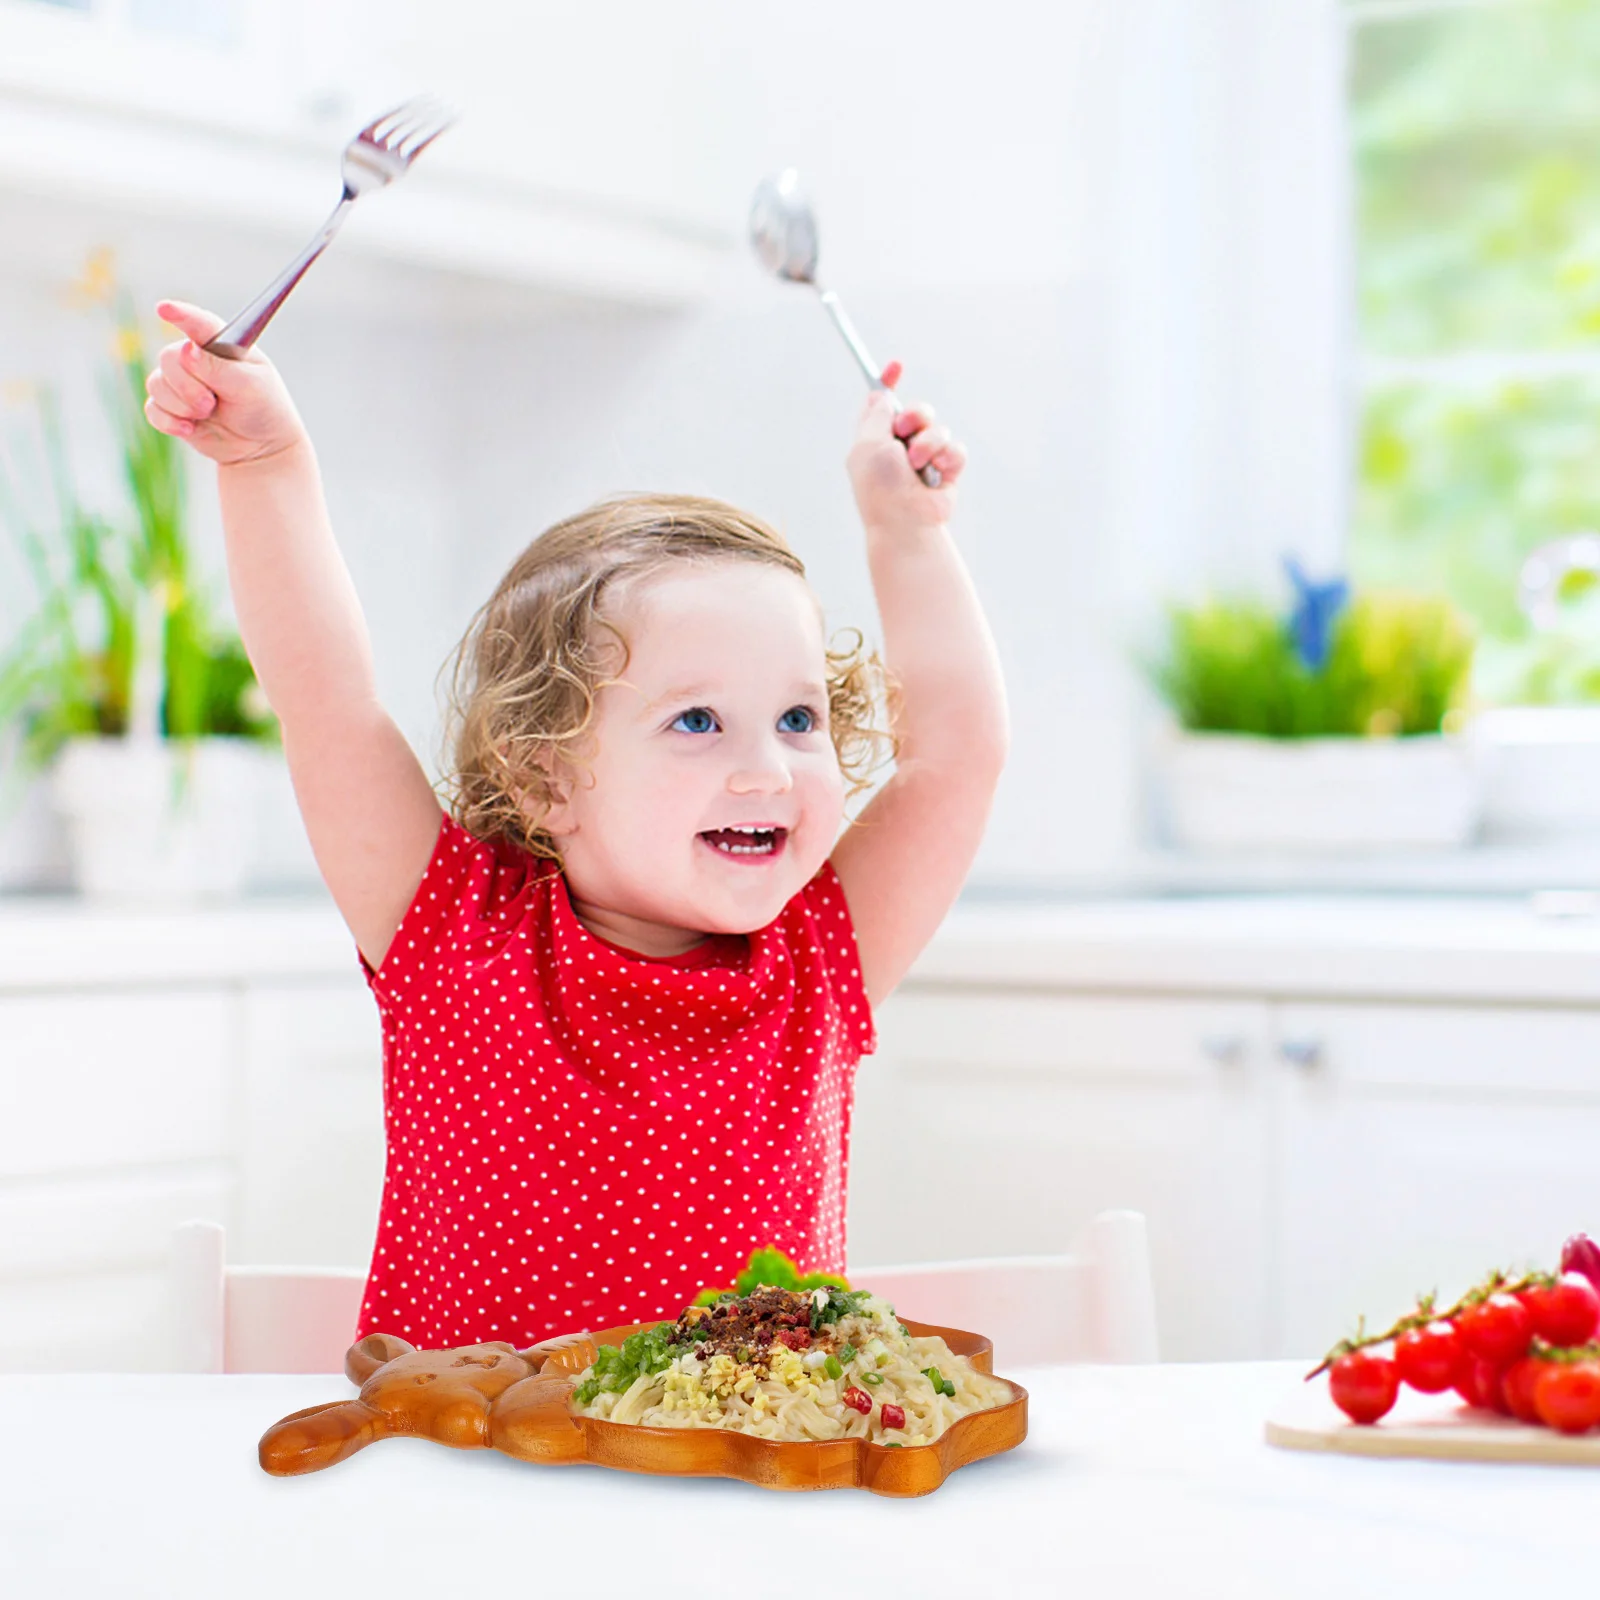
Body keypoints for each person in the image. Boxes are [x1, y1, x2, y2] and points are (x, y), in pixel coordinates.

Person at [143, 302, 1007, 1349]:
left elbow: (954, 758)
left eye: (796, 717)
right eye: (697, 720)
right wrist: (267, 463)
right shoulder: (456, 935)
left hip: (741, 1501)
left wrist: (903, 531)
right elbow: (327, 701)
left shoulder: (819, 960)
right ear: (544, 770)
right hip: (462, 1488)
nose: (765, 769)